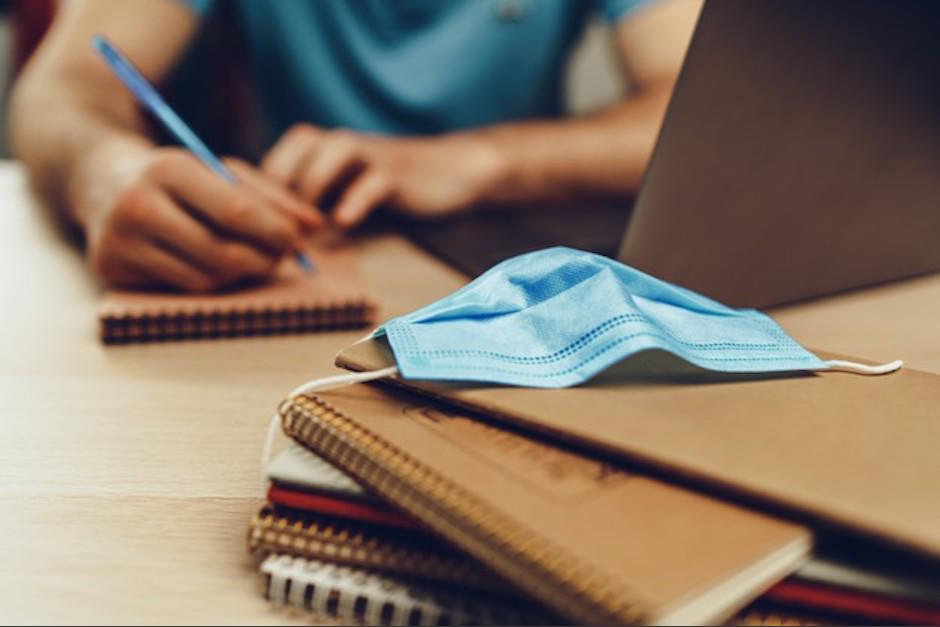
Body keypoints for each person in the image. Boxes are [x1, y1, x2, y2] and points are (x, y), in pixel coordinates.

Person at [8, 0, 700, 292]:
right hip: (289, 272)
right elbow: (60, 87)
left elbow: (694, 107)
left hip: (520, 275)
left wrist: (482, 160)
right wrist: (103, 170)